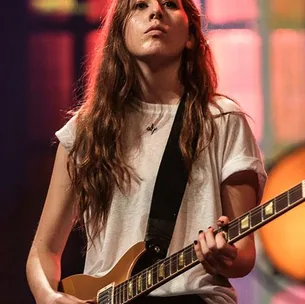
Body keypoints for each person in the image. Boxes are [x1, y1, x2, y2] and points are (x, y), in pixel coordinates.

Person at [26, 0, 267, 303]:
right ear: (120, 32)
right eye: (140, 5)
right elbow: (44, 251)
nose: (156, 11)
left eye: (170, 4)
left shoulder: (222, 120)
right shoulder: (85, 131)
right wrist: (50, 298)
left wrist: (222, 255)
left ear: (191, 35)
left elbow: (244, 255)